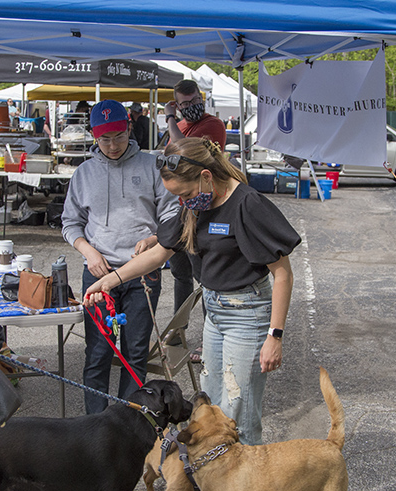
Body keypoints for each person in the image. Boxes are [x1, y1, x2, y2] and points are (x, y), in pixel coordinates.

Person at [86, 137, 300, 446]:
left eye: (185, 194)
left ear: (206, 176)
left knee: (237, 409)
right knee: (209, 404)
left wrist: (274, 336)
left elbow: (283, 275)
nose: (183, 202)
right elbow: (160, 253)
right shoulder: (195, 205)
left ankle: (244, 486)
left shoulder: (247, 204)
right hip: (214, 313)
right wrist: (109, 281)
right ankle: (214, 477)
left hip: (248, 313)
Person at [61, 99, 180, 415]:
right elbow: (70, 222)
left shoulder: (152, 165)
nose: (113, 145)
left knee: (135, 354)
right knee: (97, 353)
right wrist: (88, 251)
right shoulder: (84, 173)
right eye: (104, 139)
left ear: (129, 128)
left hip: (144, 273)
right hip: (98, 274)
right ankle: (95, 423)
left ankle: (129, 423)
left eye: (118, 136)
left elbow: (173, 214)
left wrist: (154, 237)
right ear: (94, 136)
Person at [165, 79, 229, 358]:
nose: (191, 108)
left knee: (205, 277)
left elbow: (184, 155)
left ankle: (209, 337)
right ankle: (179, 332)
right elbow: (169, 160)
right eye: (184, 104)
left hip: (204, 207)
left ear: (201, 99)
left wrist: (169, 119)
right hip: (183, 207)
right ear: (178, 103)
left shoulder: (212, 124)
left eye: (194, 102)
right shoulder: (180, 126)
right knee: (180, 273)